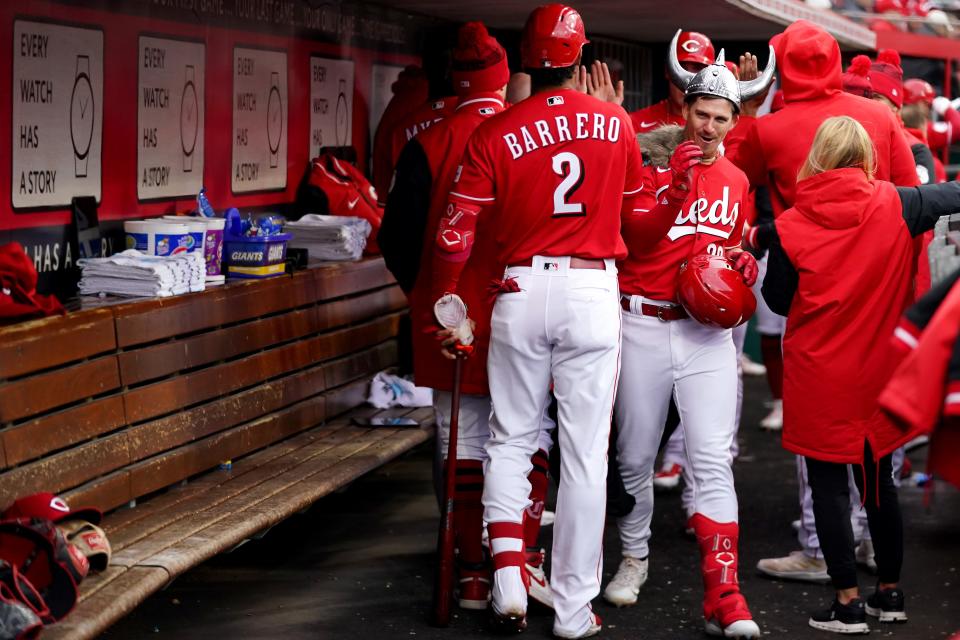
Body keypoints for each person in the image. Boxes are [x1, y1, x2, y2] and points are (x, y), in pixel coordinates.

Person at [429, 5, 646, 637]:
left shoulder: (496, 129)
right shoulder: (616, 121)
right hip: (591, 290)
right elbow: (640, 222)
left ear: (525, 61)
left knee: (511, 439)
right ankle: (574, 612)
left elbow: (452, 236)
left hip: (520, 290)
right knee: (583, 457)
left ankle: (506, 579)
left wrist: (451, 306)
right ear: (579, 59)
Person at [726, 20, 921, 582]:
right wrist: (907, 293)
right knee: (878, 450)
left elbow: (728, 179)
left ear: (781, 64)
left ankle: (823, 556)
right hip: (883, 288)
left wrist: (749, 102)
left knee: (821, 449)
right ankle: (877, 569)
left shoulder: (771, 127)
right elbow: (914, 208)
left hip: (814, 283)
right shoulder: (882, 115)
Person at [379, 22, 559, 611]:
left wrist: (429, 296)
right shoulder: (529, 133)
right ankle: (520, 558)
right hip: (520, 307)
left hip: (448, 312)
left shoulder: (425, 139)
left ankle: (473, 572)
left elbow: (398, 241)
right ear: (503, 81)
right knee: (525, 437)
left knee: (463, 442)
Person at [761, 115, 960, 633]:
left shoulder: (789, 225)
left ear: (818, 156)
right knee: (878, 489)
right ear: (867, 157)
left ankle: (847, 602)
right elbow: (952, 194)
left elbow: (778, 301)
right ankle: (889, 594)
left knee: (827, 489)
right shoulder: (899, 203)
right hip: (877, 376)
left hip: (818, 377)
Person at [604, 32, 773, 639]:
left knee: (710, 460)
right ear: (685, 110)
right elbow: (640, 240)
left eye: (720, 118)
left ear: (734, 120)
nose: (708, 126)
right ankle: (634, 556)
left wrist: (744, 261)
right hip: (642, 321)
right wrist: (672, 182)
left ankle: (724, 594)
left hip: (706, 336)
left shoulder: (735, 178)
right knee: (633, 457)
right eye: (700, 113)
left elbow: (736, 242)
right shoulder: (649, 158)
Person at [629, 31, 714, 133]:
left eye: (697, 69)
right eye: (680, 68)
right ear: (668, 72)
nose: (687, 79)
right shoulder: (636, 122)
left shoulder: (722, 123)